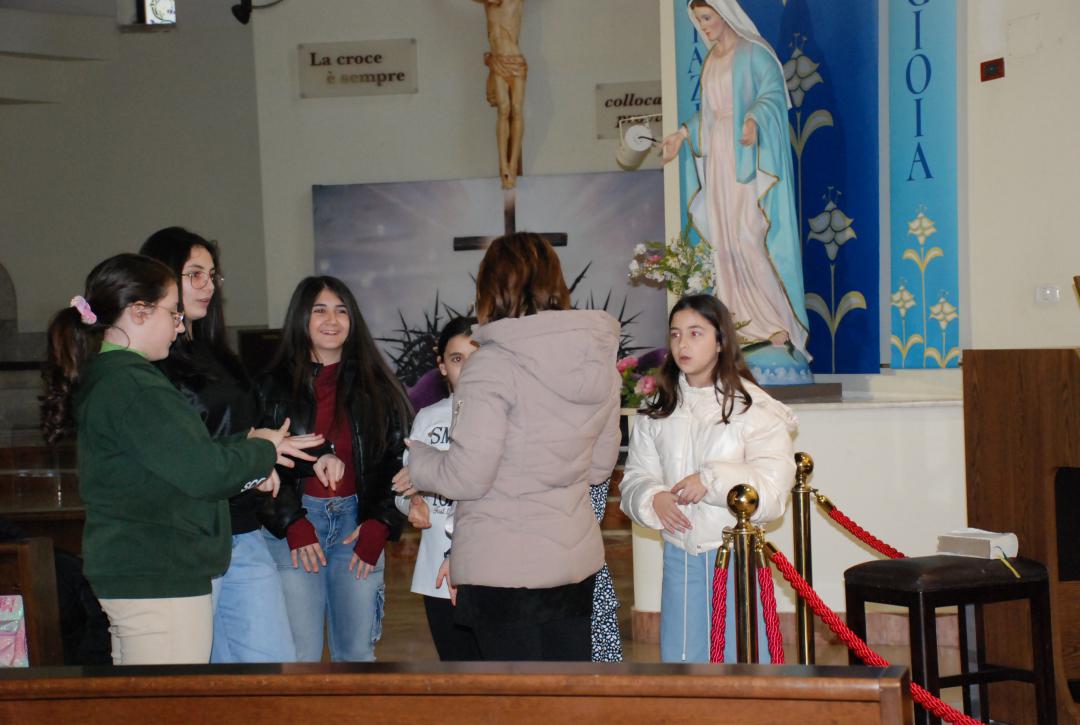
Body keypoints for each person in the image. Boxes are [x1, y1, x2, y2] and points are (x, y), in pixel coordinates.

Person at [40, 253, 322, 665]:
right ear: (139, 312)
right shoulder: (134, 385)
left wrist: (250, 447)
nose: (178, 326)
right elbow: (204, 473)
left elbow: (176, 458)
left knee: (149, 694)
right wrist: (264, 452)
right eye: (173, 313)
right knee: (170, 698)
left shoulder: (114, 376)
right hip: (159, 573)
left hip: (143, 570)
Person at [393, 232, 621, 662]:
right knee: (566, 692)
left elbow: (467, 476)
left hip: (502, 566)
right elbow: (599, 468)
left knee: (515, 694)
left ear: (491, 288)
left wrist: (421, 461)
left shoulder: (491, 365)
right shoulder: (598, 362)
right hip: (574, 561)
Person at [141, 227, 321, 663]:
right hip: (192, 536)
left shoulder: (220, 355)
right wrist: (251, 459)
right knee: (195, 674)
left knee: (273, 664)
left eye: (212, 276)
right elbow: (187, 455)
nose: (207, 286)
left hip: (243, 529)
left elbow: (247, 430)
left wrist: (277, 455)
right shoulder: (152, 365)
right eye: (194, 274)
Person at [619, 294, 797, 663]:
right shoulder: (657, 411)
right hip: (681, 555)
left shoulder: (756, 410)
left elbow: (773, 494)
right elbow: (635, 476)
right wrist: (652, 497)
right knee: (684, 664)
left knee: (741, 666)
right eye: (675, 334)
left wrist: (711, 481)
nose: (683, 344)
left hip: (734, 554)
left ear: (720, 341)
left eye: (695, 333)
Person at [257, 276, 412, 662]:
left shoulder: (379, 385)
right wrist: (292, 523)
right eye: (320, 310)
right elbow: (257, 464)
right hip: (293, 531)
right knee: (300, 658)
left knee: (357, 657)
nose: (332, 320)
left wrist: (380, 523)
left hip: (355, 528)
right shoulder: (269, 386)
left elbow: (399, 462)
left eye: (341, 311)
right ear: (301, 318)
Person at [661, 0, 810, 361]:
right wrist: (682, 134)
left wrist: (754, 119)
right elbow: (708, 115)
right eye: (698, 20)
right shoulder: (711, 61)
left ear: (724, 14)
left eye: (707, 17)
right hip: (718, 160)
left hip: (746, 157)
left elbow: (774, 95)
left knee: (749, 235)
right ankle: (737, 323)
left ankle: (774, 321)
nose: (703, 26)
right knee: (724, 242)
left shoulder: (754, 53)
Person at [394, 316, 482, 661]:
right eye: (457, 358)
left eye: (476, 357)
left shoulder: (508, 418)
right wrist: (413, 502)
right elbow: (405, 487)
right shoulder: (428, 418)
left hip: (487, 568)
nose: (467, 368)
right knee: (456, 672)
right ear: (442, 366)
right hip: (436, 574)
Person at [474, 0, 526, 189]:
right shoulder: (487, 4)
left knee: (516, 109)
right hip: (497, 62)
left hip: (515, 61)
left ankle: (512, 165)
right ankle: (503, 165)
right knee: (503, 110)